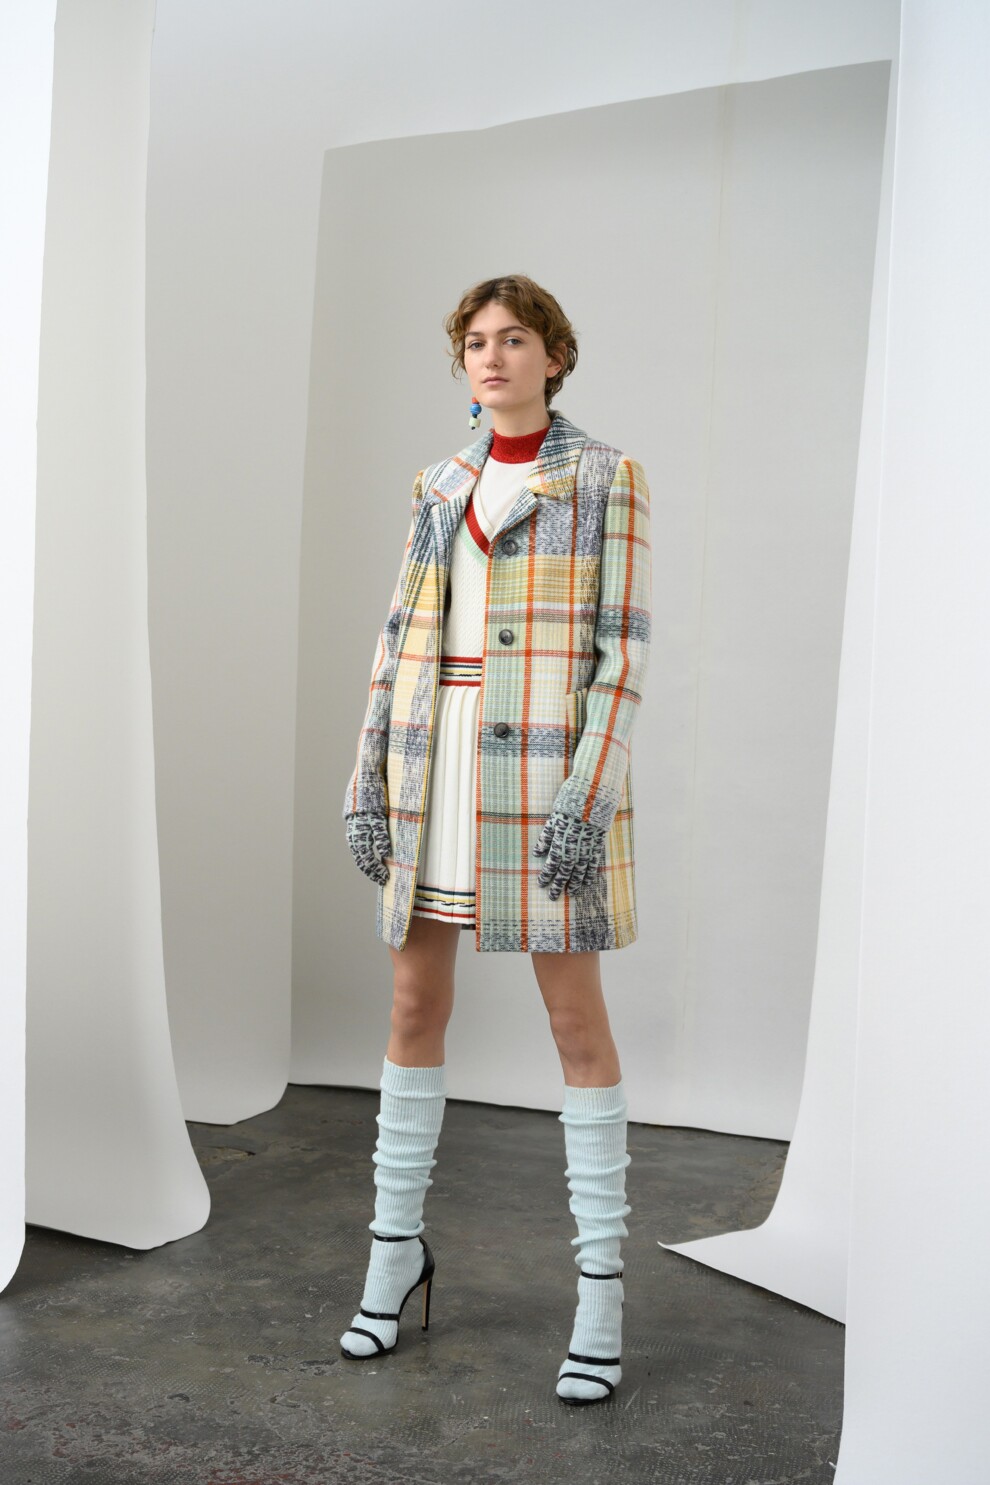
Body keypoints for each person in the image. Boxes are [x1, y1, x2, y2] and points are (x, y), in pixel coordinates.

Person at [341, 274, 652, 1405]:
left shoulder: (605, 476)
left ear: (553, 356)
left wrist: (586, 799)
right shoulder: (438, 482)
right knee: (411, 1007)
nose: (492, 355)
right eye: (476, 340)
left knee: (574, 1022)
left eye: (514, 338)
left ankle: (602, 1292)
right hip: (434, 761)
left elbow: (623, 653)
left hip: (542, 779)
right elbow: (397, 638)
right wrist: (367, 781)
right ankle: (392, 1259)